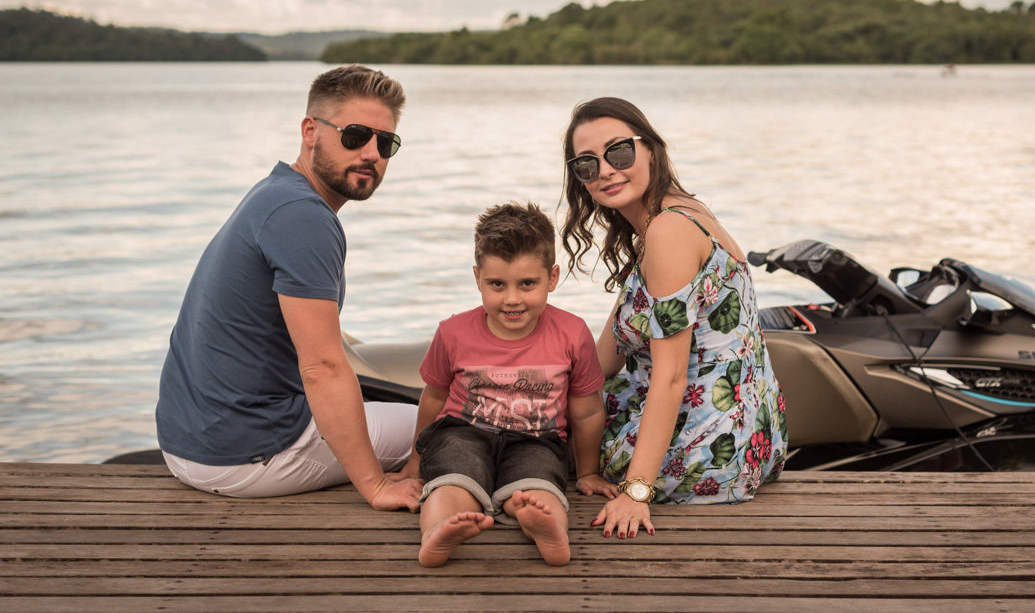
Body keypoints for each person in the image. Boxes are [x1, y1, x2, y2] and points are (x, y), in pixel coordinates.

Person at [155, 64, 422, 510]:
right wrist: (376, 486)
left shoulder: (275, 192)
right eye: (355, 135)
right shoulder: (305, 216)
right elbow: (321, 368)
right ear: (310, 130)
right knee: (448, 424)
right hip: (248, 453)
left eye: (386, 142)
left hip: (188, 444)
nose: (372, 153)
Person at [561, 97, 788, 540]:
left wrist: (636, 491)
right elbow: (600, 361)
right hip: (752, 439)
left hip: (704, 447)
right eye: (586, 164)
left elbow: (670, 377)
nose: (605, 170)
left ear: (650, 150)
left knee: (528, 436)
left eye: (619, 152)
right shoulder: (678, 213)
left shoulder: (668, 232)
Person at [400, 202, 614, 567]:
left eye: (527, 283)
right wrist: (414, 462)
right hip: (463, 432)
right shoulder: (453, 332)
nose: (512, 299)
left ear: (552, 277)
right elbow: (434, 397)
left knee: (537, 486)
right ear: (477, 277)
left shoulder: (572, 333)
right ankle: (438, 530)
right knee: (453, 478)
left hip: (537, 439)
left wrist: (589, 470)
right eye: (496, 284)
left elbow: (588, 407)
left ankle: (547, 529)